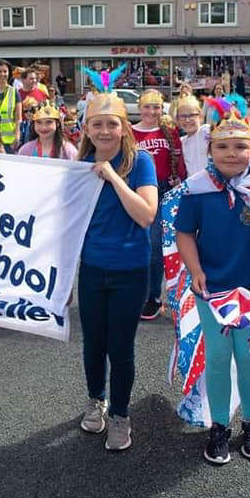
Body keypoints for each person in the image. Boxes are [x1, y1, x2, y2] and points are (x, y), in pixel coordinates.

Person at [172, 109, 250, 464]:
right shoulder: (198, 189)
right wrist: (195, 269)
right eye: (223, 147)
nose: (232, 154)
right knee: (218, 358)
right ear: (210, 151)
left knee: (248, 357)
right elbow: (184, 232)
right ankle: (219, 425)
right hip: (212, 289)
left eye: (240, 146)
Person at [75, 89, 157, 451]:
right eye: (98, 124)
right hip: (92, 267)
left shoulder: (140, 163)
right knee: (93, 343)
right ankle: (97, 401)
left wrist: (112, 177)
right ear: (87, 128)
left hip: (130, 269)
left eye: (112, 124)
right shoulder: (77, 166)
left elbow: (146, 215)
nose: (105, 131)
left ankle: (121, 415)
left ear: (124, 128)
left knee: (120, 348)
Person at [132, 89, 187, 320]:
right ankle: (135, 294)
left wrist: (180, 179)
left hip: (164, 191)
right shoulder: (130, 131)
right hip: (137, 190)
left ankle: (153, 297)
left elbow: (180, 161)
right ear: (139, 107)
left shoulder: (170, 132)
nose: (151, 112)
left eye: (156, 107)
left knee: (155, 248)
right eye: (147, 107)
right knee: (136, 247)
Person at [175, 95, 210, 175]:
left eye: (192, 115)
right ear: (177, 120)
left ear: (200, 116)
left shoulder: (205, 131)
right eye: (183, 116)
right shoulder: (181, 141)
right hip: (192, 185)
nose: (187, 120)